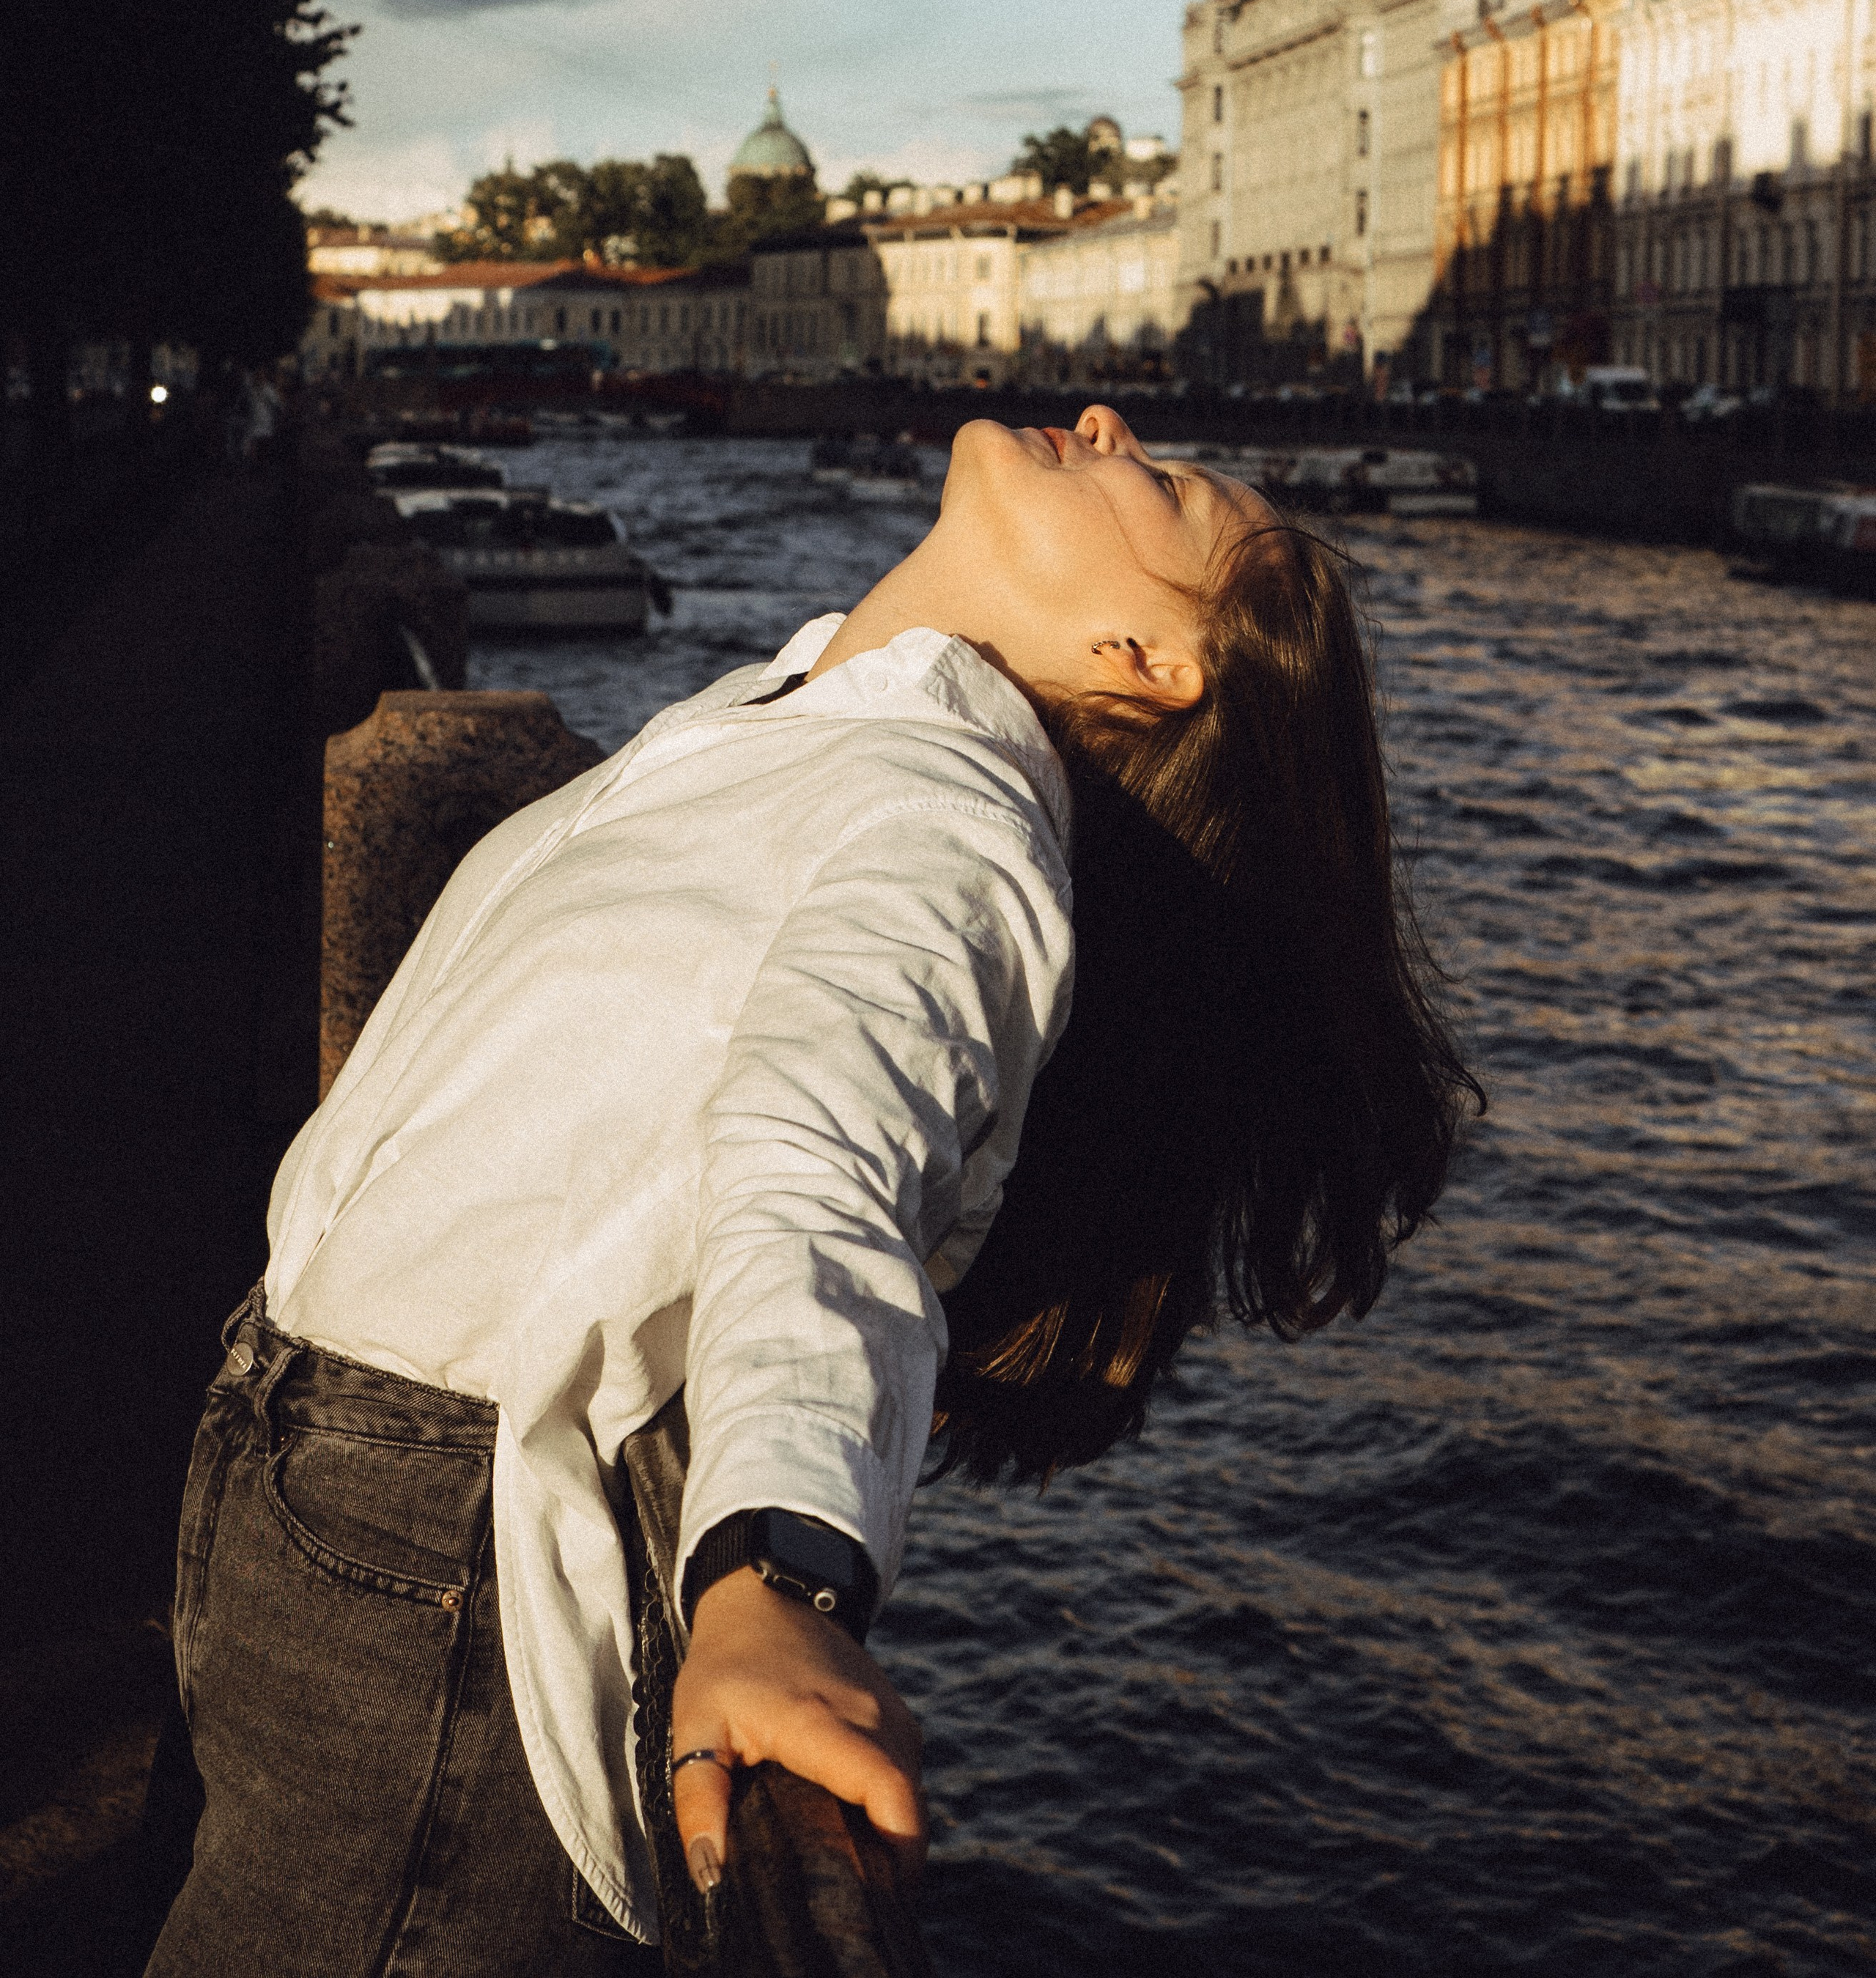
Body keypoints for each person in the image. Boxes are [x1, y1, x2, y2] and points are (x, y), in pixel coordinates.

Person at [147, 406, 1476, 1975]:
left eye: (1168, 486)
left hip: (441, 1550)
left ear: (1143, 657)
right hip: (320, 1473)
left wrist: (776, 1576)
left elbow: (823, 1168)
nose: (1111, 422)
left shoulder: (948, 834)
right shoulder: (797, 715)